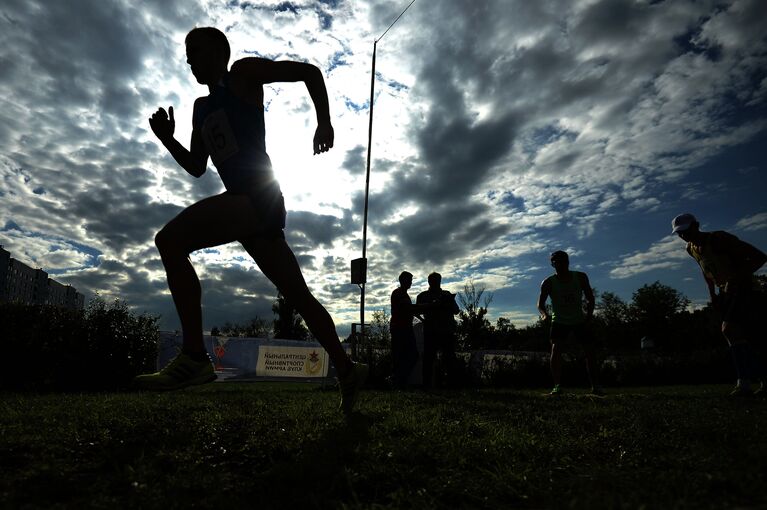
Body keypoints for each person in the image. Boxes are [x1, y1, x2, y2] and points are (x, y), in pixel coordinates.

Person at [135, 27, 367, 414]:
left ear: (217, 50)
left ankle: (194, 356)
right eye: (186, 53)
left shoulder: (243, 74)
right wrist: (166, 139)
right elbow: (196, 167)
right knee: (299, 297)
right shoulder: (199, 108)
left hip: (257, 198)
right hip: (248, 210)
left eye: (194, 50)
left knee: (170, 241)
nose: (189, 59)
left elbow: (310, 73)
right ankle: (347, 369)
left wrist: (324, 122)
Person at [672, 213, 767, 396]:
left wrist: (735, 278)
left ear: (696, 225)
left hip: (745, 289)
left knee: (729, 330)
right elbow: (705, 270)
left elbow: (759, 257)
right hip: (726, 293)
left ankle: (744, 383)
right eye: (679, 233)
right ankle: (751, 382)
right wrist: (713, 295)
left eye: (686, 231)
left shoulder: (719, 239)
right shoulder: (690, 248)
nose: (683, 235)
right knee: (743, 337)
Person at [537, 251, 603, 396]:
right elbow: (540, 304)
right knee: (556, 350)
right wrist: (544, 314)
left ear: (568, 262)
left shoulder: (580, 277)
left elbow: (590, 299)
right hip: (559, 321)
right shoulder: (548, 282)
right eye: (556, 261)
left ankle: (596, 386)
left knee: (590, 352)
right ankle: (557, 386)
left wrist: (589, 317)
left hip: (579, 320)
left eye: (563, 261)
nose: (560, 264)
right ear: (552, 264)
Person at [416, 272, 460, 388]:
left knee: (449, 359)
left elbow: (456, 310)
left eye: (437, 280)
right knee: (429, 359)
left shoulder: (446, 294)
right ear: (429, 281)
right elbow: (416, 311)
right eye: (433, 280)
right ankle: (427, 385)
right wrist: (427, 314)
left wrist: (447, 303)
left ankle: (451, 385)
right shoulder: (423, 296)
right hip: (431, 331)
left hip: (446, 331)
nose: (435, 283)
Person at [389, 271, 421, 389]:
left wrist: (421, 317)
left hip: (405, 328)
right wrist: (427, 306)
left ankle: (400, 380)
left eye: (411, 281)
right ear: (403, 280)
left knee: (409, 355)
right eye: (409, 280)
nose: (411, 283)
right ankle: (398, 381)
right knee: (403, 355)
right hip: (399, 328)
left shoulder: (404, 294)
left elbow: (410, 310)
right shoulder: (398, 293)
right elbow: (408, 308)